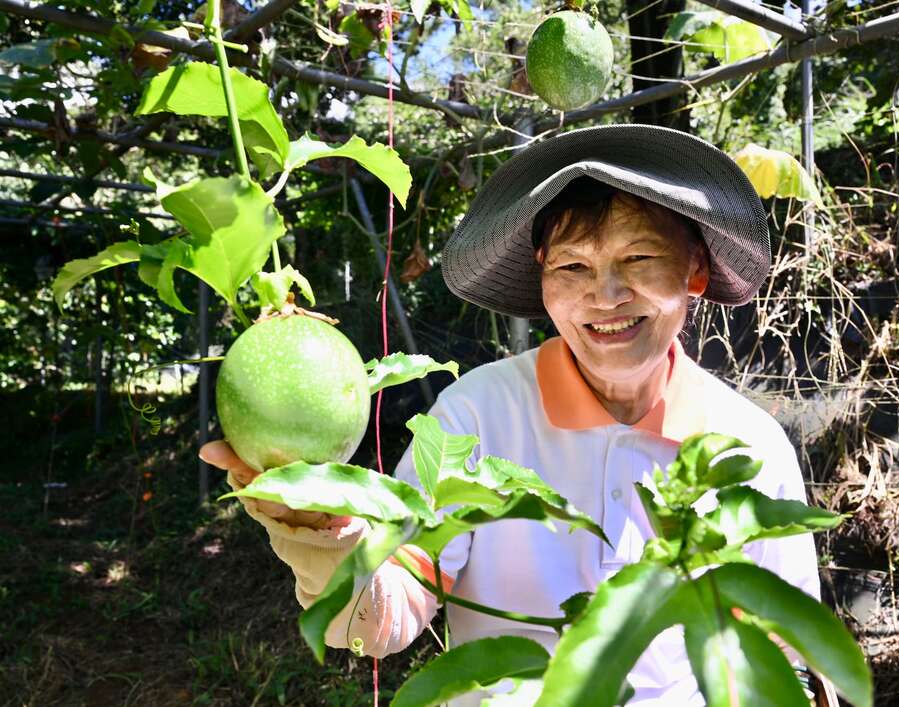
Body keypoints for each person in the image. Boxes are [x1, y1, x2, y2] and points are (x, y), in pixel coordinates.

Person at [200, 124, 826, 705]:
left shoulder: (752, 446)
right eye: (573, 266)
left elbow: (786, 654)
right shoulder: (475, 418)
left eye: (638, 259)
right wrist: (317, 528)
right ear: (543, 278)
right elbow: (385, 617)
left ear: (695, 268)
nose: (605, 296)